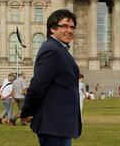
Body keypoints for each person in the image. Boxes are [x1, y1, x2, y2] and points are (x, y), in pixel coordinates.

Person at [20, 9, 82, 146]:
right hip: (53, 123)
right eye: (64, 26)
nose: (70, 30)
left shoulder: (60, 49)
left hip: (60, 124)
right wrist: (27, 112)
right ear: (53, 28)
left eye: (72, 27)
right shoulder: (52, 49)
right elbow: (38, 85)